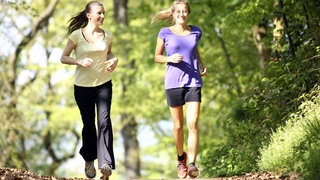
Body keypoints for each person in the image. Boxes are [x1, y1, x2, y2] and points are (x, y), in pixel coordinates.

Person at [60, 1, 118, 179]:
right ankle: (89, 159)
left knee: (104, 122)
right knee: (89, 125)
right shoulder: (77, 35)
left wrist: (114, 60)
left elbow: (109, 53)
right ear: (89, 15)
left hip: (103, 85)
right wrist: (79, 61)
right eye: (99, 13)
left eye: (103, 13)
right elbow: (63, 57)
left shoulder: (108, 35)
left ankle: (106, 164)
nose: (102, 16)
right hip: (82, 87)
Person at [152, 0, 206, 179]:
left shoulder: (196, 31)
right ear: (173, 14)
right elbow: (157, 57)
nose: (182, 14)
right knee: (177, 126)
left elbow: (194, 50)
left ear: (188, 13)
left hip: (193, 82)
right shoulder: (165, 32)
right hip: (173, 82)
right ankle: (181, 159)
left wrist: (201, 64)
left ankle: (192, 163)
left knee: (193, 124)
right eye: (178, 12)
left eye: (185, 11)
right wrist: (170, 59)